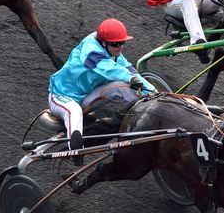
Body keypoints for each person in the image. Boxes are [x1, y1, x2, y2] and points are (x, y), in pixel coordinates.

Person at [48, 18, 157, 165]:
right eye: (116, 44)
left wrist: (153, 92)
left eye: (122, 42)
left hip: (87, 98)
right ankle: (74, 150)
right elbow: (108, 68)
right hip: (61, 97)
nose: (121, 47)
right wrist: (130, 78)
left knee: (121, 85)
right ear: (103, 42)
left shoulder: (112, 51)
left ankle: (150, 112)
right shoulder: (90, 49)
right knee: (74, 111)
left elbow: (130, 71)